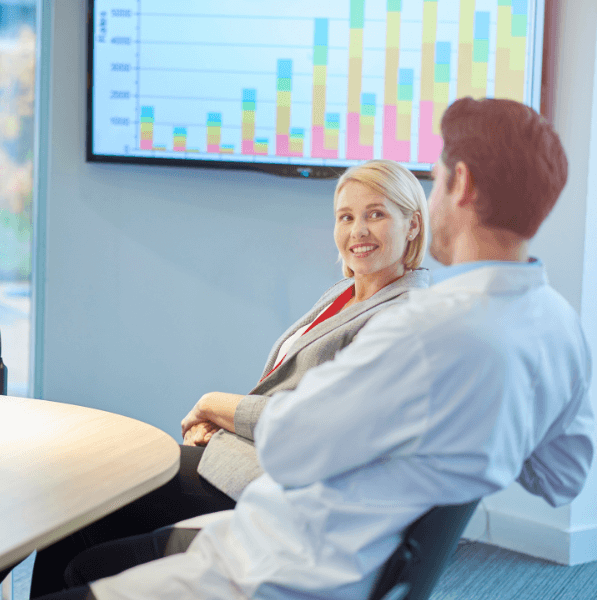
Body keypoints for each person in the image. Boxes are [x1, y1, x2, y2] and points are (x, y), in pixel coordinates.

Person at [32, 97, 596, 600]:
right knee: (93, 556)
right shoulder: (559, 327)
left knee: (82, 566)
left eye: (436, 179)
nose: (432, 198)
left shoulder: (422, 328)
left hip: (285, 567)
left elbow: (285, 445)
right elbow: (562, 476)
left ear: (463, 184)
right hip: (352, 562)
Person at [29, 159, 431, 596]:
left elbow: (315, 422)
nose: (358, 231)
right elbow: (287, 389)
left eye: (376, 214)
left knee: (91, 502)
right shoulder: (346, 292)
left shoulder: (400, 317)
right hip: (243, 458)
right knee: (81, 507)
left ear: (412, 225)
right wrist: (222, 425)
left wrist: (213, 406)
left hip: (273, 486)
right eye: (346, 217)